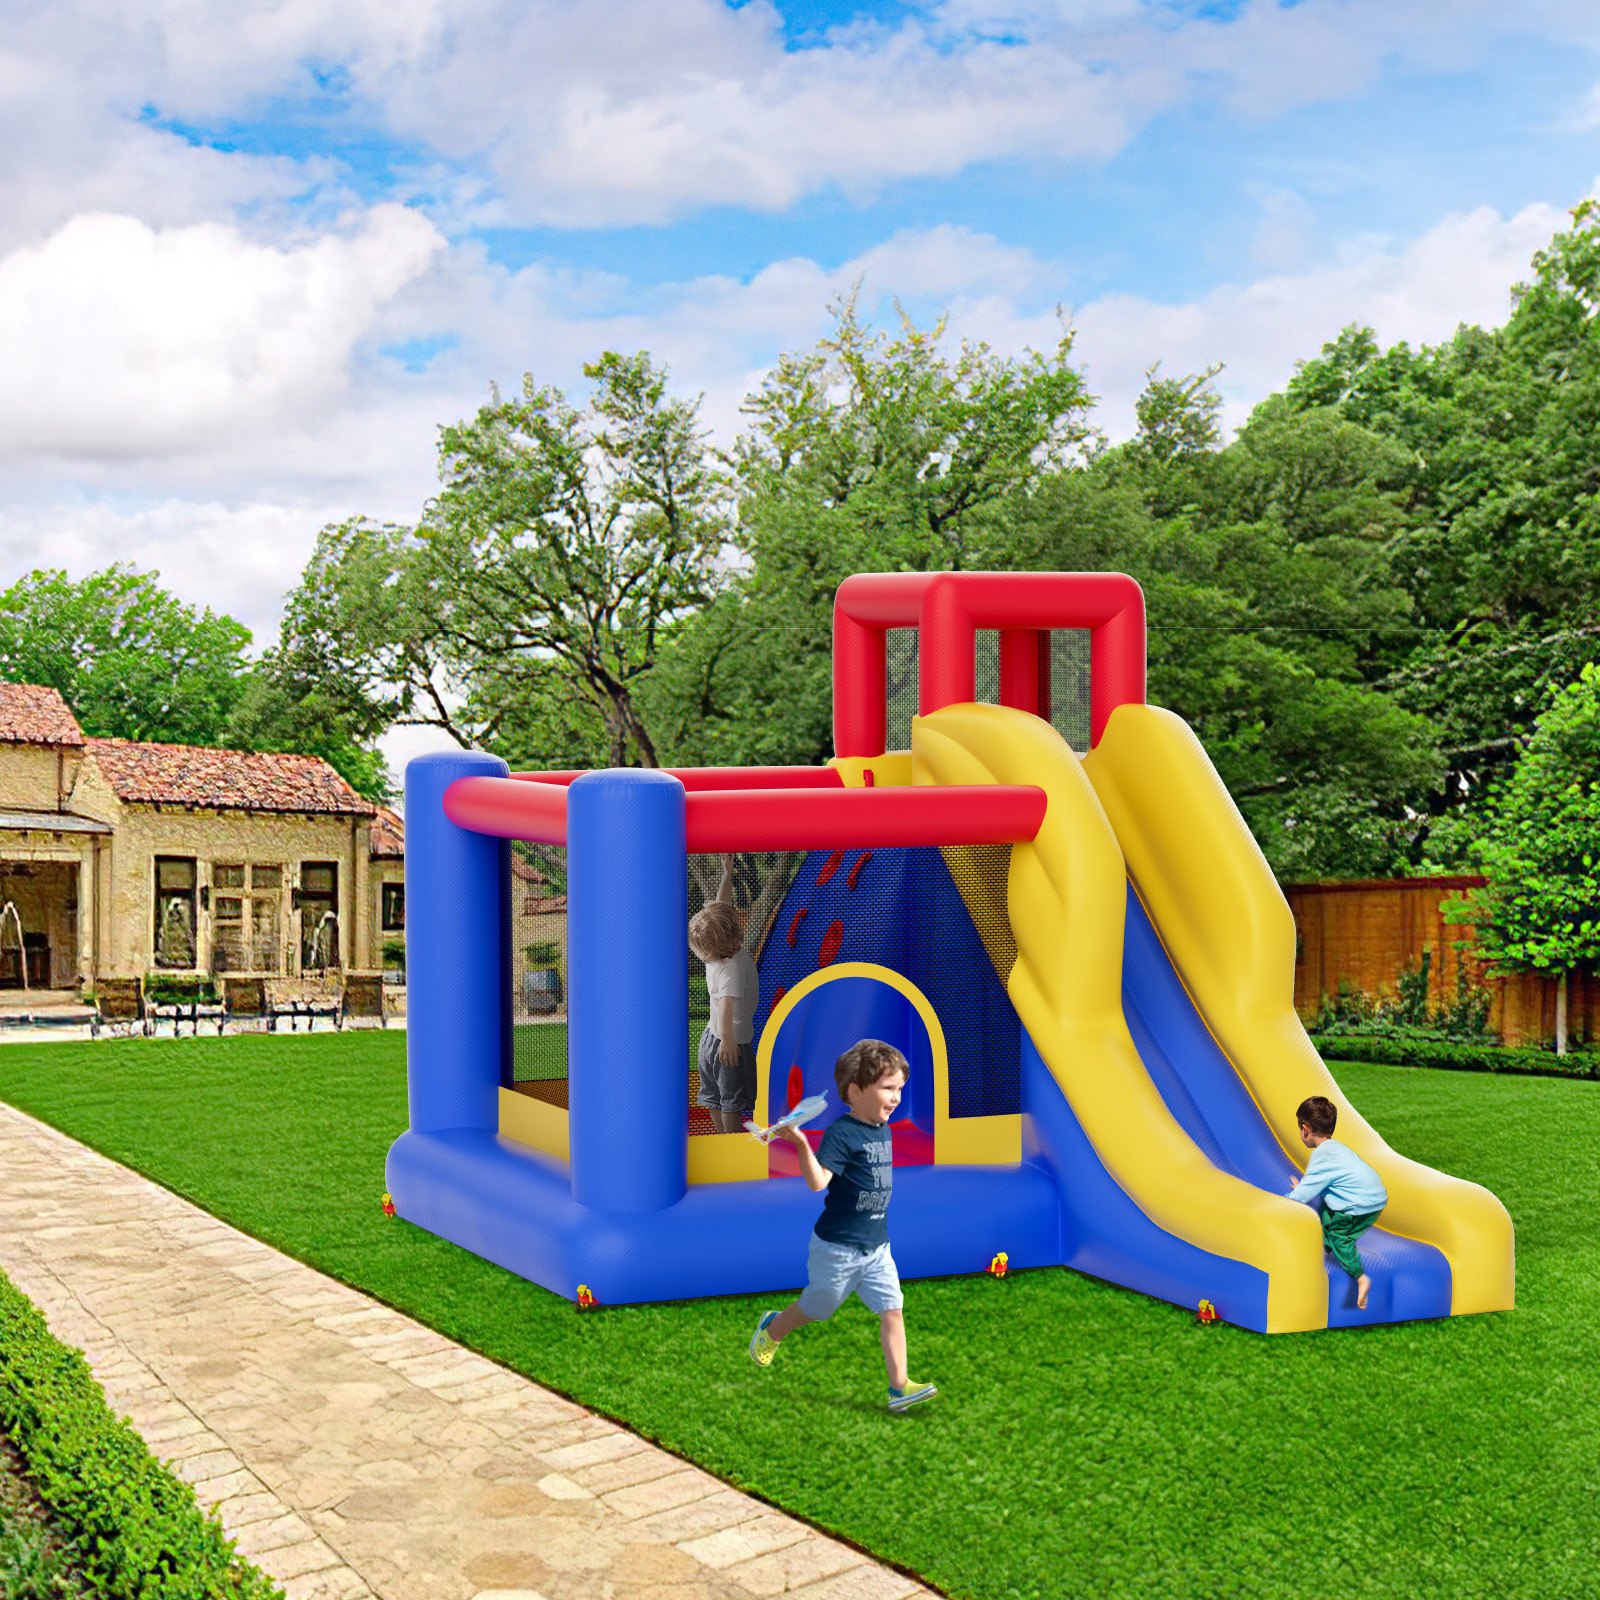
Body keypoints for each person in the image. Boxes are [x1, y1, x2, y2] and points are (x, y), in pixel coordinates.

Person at [748, 1039, 937, 1413]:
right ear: (854, 1091)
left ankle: (899, 1388)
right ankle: (773, 1328)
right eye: (887, 1088)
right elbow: (818, 1183)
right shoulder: (842, 1133)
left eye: (900, 1089)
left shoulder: (883, 1129)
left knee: (892, 1309)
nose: (896, 1098)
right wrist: (801, 1143)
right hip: (837, 1249)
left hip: (877, 1247)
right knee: (817, 1309)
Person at [1287, 1095, 1388, 1310]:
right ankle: (1324, 1247)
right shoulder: (1336, 1148)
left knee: (1340, 1237)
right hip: (1374, 1197)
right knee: (1326, 1207)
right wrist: (1303, 1187)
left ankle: (1361, 1278)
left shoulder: (1322, 1156)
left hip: (1361, 1206)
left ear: (1305, 1129)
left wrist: (1284, 1201)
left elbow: (1303, 1195)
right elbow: (1323, 1183)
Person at [687, 853, 757, 1133]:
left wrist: (727, 875)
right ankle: (731, 1142)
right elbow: (727, 1004)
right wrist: (728, 1041)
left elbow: (722, 907)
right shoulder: (732, 966)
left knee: (713, 1096)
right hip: (730, 1041)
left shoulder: (714, 957)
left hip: (709, 1039)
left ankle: (720, 1137)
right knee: (732, 1101)